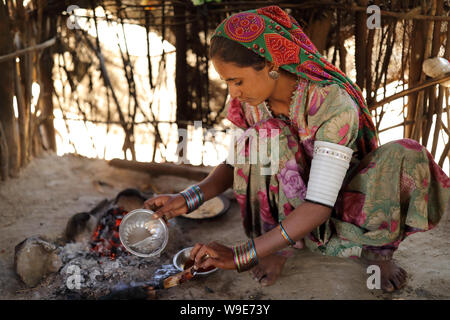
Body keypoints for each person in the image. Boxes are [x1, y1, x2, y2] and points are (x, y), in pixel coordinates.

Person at [144, 6, 450, 293]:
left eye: (237, 81)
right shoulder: (250, 104)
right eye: (227, 83)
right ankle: (275, 247)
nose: (233, 93)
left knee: (405, 152)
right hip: (294, 212)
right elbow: (235, 161)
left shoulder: (329, 102)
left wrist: (241, 256)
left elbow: (319, 205)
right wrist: (186, 199)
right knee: (261, 139)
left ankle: (378, 253)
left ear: (271, 64)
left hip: (345, 206)